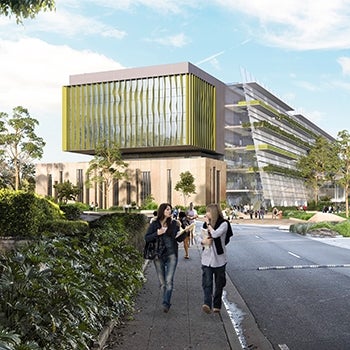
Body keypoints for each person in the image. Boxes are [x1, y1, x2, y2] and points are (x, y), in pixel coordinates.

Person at [144, 203, 184, 313]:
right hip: (158, 256)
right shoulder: (154, 224)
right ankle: (165, 298)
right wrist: (157, 233)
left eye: (170, 209)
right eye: (167, 209)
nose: (169, 211)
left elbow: (179, 239)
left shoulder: (174, 224)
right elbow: (146, 238)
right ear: (162, 211)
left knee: (169, 281)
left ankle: (166, 303)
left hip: (171, 255)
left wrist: (186, 232)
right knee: (162, 283)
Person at [200, 203, 233, 314]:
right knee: (207, 283)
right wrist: (203, 242)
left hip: (219, 259)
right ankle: (207, 304)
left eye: (208, 211)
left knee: (219, 284)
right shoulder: (205, 225)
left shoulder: (223, 224)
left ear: (213, 212)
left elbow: (215, 234)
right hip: (206, 258)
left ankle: (217, 305)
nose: (206, 213)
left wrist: (209, 224)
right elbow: (200, 237)